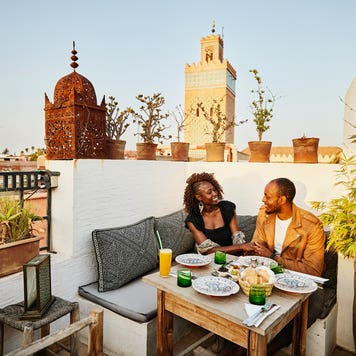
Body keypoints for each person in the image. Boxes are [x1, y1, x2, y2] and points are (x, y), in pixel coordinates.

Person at [251, 177, 326, 354]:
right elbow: (256, 246)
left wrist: (273, 257)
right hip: (268, 271)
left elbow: (313, 270)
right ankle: (240, 344)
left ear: (283, 199)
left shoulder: (312, 225)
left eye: (267, 196)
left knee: (315, 302)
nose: (263, 199)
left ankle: (269, 349)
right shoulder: (264, 214)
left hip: (300, 278)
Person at [183, 172, 257, 255]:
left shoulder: (227, 208)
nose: (215, 194)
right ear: (199, 197)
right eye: (209, 192)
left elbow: (237, 239)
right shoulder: (193, 220)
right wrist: (240, 247)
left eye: (214, 190)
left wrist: (242, 249)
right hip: (209, 260)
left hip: (232, 257)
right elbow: (208, 250)